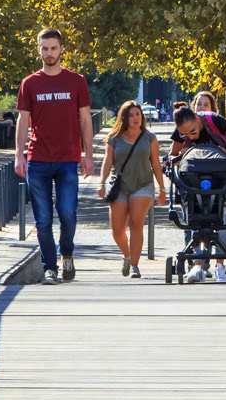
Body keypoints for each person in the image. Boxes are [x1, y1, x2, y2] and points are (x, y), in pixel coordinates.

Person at [15, 28, 95, 283]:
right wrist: (19, 155)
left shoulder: (76, 81)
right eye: (44, 48)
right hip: (38, 159)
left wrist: (89, 154)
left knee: (68, 212)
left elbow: (85, 119)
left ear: (62, 49)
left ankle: (67, 255)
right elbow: (23, 120)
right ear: (38, 49)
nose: (49, 53)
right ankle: (50, 266)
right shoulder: (30, 83)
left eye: (53, 48)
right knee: (42, 220)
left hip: (68, 159)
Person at [169, 106, 226, 282]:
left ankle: (220, 265)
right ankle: (197, 265)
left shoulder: (214, 121)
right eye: (185, 135)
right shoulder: (182, 130)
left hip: (220, 179)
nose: (189, 137)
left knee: (222, 218)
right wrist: (179, 155)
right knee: (194, 219)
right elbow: (172, 156)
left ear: (198, 119)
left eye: (192, 132)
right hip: (193, 181)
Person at [97, 101, 165, 279]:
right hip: (119, 186)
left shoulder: (149, 137)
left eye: (138, 114)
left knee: (136, 224)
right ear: (124, 117)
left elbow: (156, 164)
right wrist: (102, 182)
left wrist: (162, 188)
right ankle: (127, 255)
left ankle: (135, 264)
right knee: (117, 230)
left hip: (143, 184)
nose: (136, 118)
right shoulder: (114, 138)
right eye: (132, 115)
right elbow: (107, 161)